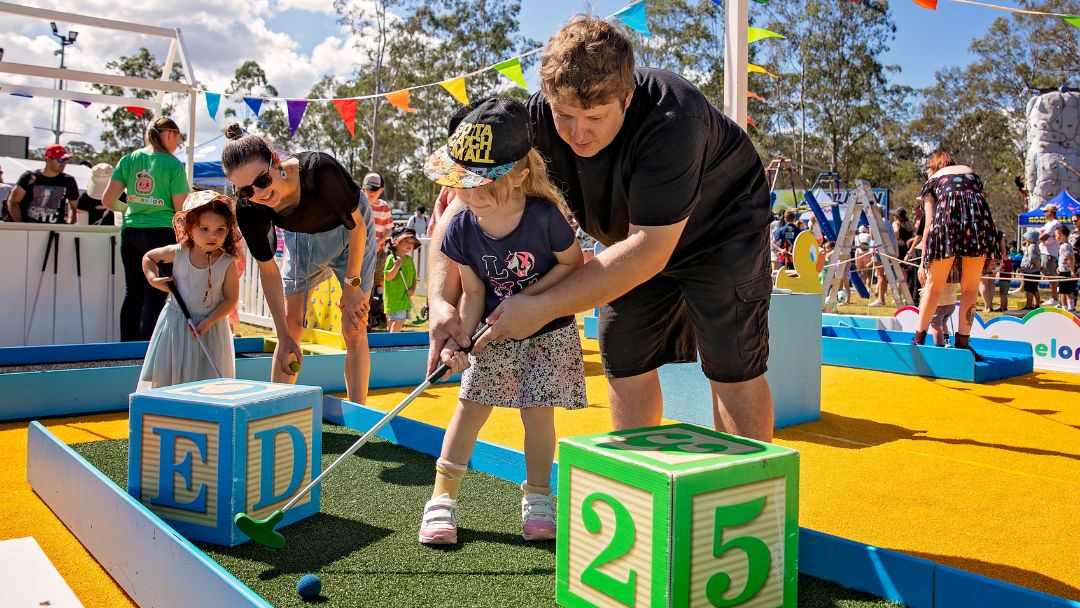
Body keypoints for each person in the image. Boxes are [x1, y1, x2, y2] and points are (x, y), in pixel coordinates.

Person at [426, 17, 775, 441]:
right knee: (625, 359)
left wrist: (543, 306)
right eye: (565, 114)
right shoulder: (531, 120)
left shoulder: (674, 118)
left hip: (721, 233)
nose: (578, 132)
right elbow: (461, 197)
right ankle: (635, 489)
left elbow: (650, 250)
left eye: (594, 116)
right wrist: (441, 303)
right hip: (626, 240)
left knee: (732, 367)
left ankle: (752, 504)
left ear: (627, 98)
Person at [418, 96, 586, 545]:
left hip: (546, 333)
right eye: (460, 183)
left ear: (518, 175)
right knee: (470, 409)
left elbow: (573, 265)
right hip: (491, 335)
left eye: (478, 184)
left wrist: (528, 302)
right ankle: (442, 500)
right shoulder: (461, 225)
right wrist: (462, 338)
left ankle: (537, 497)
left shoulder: (546, 217)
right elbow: (473, 291)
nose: (465, 195)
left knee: (537, 415)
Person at [221, 124, 376, 404]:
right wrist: (282, 335)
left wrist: (353, 286)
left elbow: (357, 228)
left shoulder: (320, 170)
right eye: (245, 191)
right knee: (291, 329)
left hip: (350, 232)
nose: (258, 194)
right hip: (302, 239)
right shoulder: (249, 210)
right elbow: (269, 273)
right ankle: (276, 409)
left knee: (354, 324)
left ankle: (358, 415)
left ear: (276, 161)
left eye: (262, 181)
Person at [138, 191, 239, 388]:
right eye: (205, 229)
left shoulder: (227, 263)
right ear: (189, 228)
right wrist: (153, 279)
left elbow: (230, 299)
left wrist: (209, 322)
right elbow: (149, 257)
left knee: (208, 381)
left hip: (210, 329)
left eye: (220, 229)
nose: (213, 235)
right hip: (177, 325)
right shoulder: (179, 252)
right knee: (170, 377)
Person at [101, 119, 190, 341]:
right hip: (161, 232)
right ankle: (147, 349)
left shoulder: (129, 159)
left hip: (131, 232)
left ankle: (126, 349)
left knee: (133, 293)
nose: (178, 143)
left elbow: (107, 199)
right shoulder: (172, 165)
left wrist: (130, 208)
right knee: (156, 291)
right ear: (169, 134)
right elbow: (181, 209)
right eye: (178, 137)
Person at [913, 150, 998, 356]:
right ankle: (963, 343)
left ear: (933, 167)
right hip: (979, 227)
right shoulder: (971, 175)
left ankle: (918, 341)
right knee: (970, 289)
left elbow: (929, 224)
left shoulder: (933, 180)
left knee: (933, 286)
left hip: (947, 227)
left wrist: (924, 259)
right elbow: (980, 203)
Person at [8, 145, 79, 224]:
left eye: (66, 160)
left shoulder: (69, 180)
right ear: (48, 159)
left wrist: (69, 226)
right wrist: (21, 225)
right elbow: (13, 202)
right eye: (60, 160)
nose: (64, 163)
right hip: (29, 230)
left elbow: (74, 207)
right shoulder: (29, 177)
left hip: (55, 231)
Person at [364, 172, 393, 326]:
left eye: (374, 190)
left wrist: (380, 242)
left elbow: (389, 229)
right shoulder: (360, 205)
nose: (370, 193)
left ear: (381, 190)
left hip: (379, 250)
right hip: (362, 251)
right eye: (368, 190)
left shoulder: (384, 207)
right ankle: (366, 315)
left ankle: (379, 312)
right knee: (364, 283)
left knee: (379, 281)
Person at [384, 227, 420, 332]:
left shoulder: (409, 260)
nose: (410, 245)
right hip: (394, 297)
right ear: (397, 242)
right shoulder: (392, 259)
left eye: (412, 243)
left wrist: (412, 289)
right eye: (406, 241)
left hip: (405, 297)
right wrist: (396, 266)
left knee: (397, 321)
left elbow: (414, 278)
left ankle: (389, 342)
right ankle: (392, 342)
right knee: (397, 321)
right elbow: (388, 277)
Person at [918, 265, 958, 347]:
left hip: (939, 303)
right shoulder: (953, 267)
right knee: (943, 323)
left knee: (935, 325)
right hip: (951, 302)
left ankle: (939, 346)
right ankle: (947, 342)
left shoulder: (932, 267)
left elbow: (925, 283)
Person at [1038, 204, 1062, 306]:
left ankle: (1054, 298)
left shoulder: (1054, 223)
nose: (1044, 213)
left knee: (1052, 276)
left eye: (1045, 211)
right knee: (1048, 275)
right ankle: (1054, 296)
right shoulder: (1049, 223)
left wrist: (1040, 236)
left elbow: (1042, 237)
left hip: (1050, 253)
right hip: (1045, 252)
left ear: (1050, 212)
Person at [1056, 224, 1076, 312]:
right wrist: (1058, 267)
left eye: (1056, 235)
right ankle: (1070, 307)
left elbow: (1069, 259)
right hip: (1063, 270)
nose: (1055, 237)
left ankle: (1066, 307)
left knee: (1063, 291)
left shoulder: (1064, 246)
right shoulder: (1066, 245)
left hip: (1065, 272)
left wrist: (1072, 271)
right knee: (1067, 290)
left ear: (1062, 235)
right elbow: (1063, 259)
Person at [1020, 229, 1041, 310]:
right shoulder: (1032, 246)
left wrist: (1037, 267)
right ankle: (1037, 304)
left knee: (1029, 290)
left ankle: (1029, 305)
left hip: (1031, 272)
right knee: (1034, 289)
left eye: (1026, 237)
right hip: (1033, 271)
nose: (1025, 239)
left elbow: (1033, 259)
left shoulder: (1032, 247)